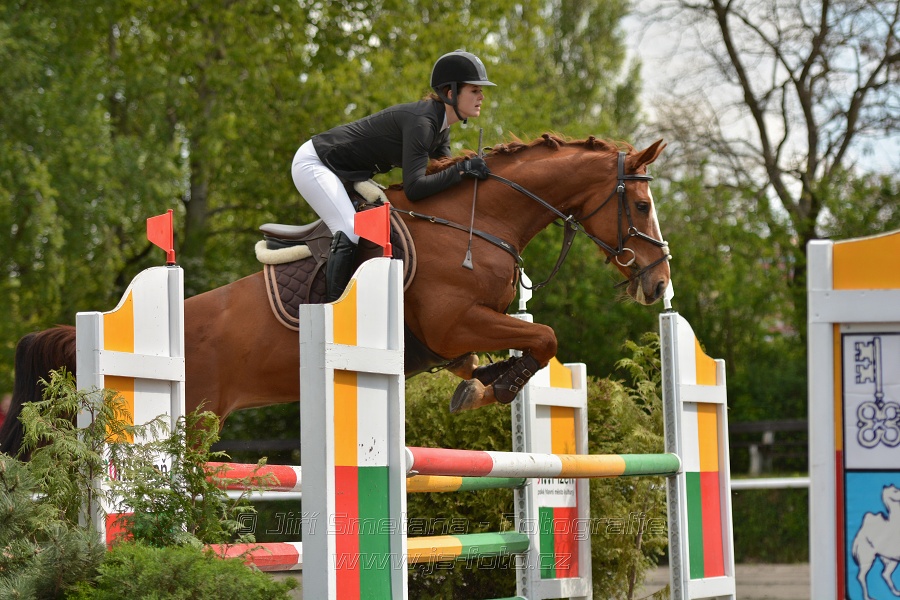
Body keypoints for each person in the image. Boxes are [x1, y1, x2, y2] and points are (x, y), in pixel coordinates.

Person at [291, 50, 496, 301]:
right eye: (475, 90)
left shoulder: (440, 127)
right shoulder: (422, 123)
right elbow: (415, 188)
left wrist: (473, 171)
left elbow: (443, 173)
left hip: (344, 171)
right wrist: (463, 169)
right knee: (349, 229)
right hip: (315, 163)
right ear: (451, 93)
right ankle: (334, 308)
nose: (482, 96)